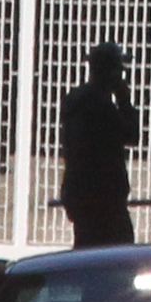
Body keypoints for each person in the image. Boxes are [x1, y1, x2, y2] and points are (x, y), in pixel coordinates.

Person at [55, 41, 138, 248]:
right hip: (103, 200)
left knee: (86, 246)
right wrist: (124, 100)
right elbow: (131, 135)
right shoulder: (100, 106)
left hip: (81, 195)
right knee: (117, 251)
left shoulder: (76, 100)